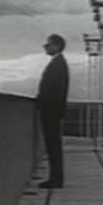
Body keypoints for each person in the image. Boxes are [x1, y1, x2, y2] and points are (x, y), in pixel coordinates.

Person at [36, 34, 70, 189]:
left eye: (48, 44)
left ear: (56, 46)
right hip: (53, 110)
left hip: (51, 111)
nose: (45, 47)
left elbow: (54, 90)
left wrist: (42, 103)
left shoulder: (57, 64)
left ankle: (56, 179)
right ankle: (56, 177)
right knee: (53, 144)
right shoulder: (58, 63)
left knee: (53, 145)